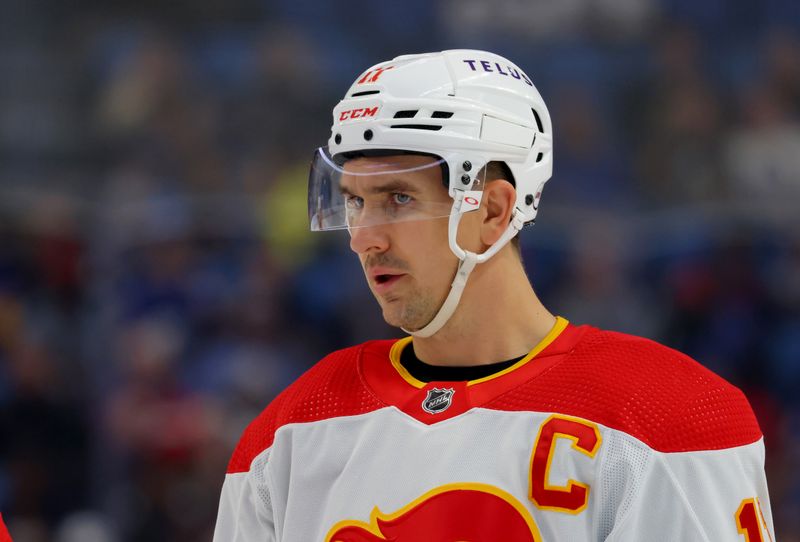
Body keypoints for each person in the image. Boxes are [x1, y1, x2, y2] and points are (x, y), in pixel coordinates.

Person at [214, 50, 774, 541]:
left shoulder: (665, 417)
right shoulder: (291, 430)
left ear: (494, 210)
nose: (363, 237)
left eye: (399, 198)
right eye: (356, 202)